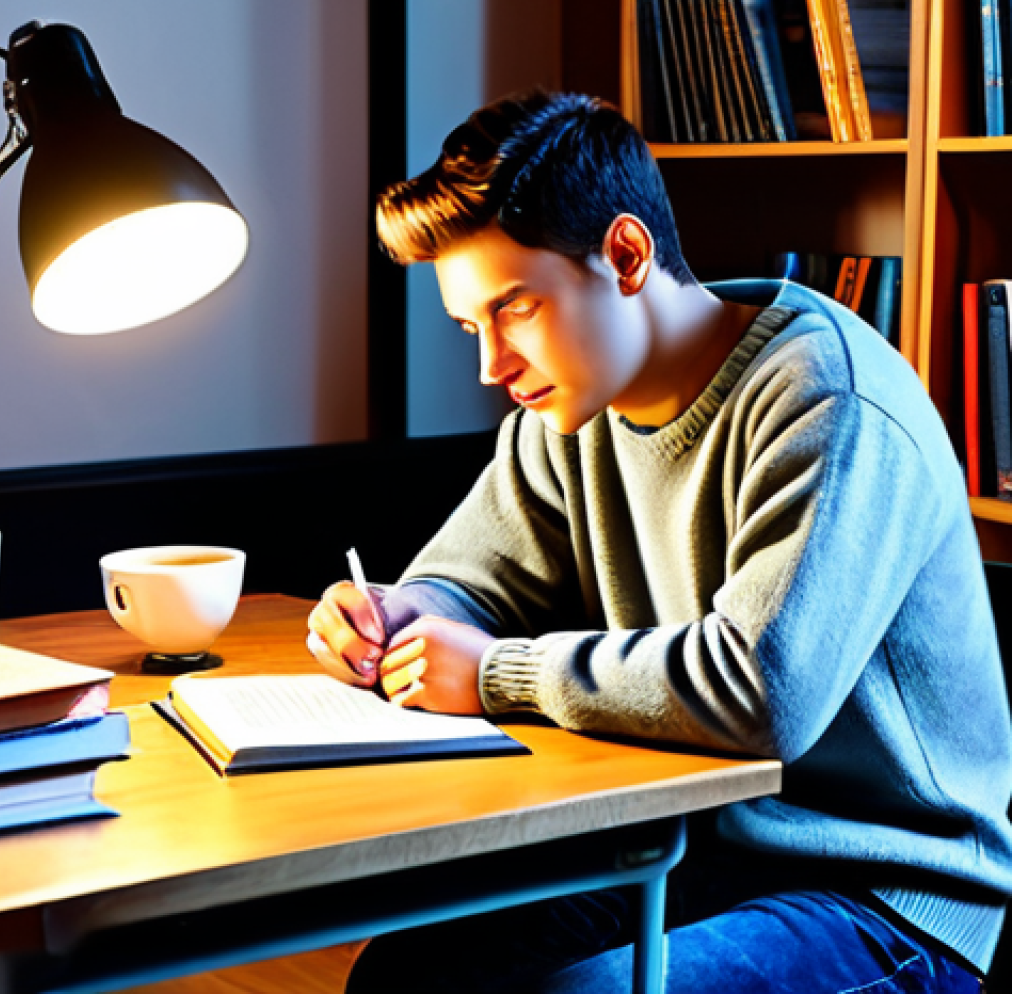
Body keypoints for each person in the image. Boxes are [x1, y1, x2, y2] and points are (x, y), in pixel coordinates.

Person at [307, 90, 1012, 993]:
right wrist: (398, 618)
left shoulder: (826, 395)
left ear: (627, 257)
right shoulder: (563, 412)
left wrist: (494, 672)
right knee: (407, 977)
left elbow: (763, 696)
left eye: (515, 309)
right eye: (469, 326)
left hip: (882, 894)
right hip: (685, 853)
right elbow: (465, 585)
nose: (491, 365)